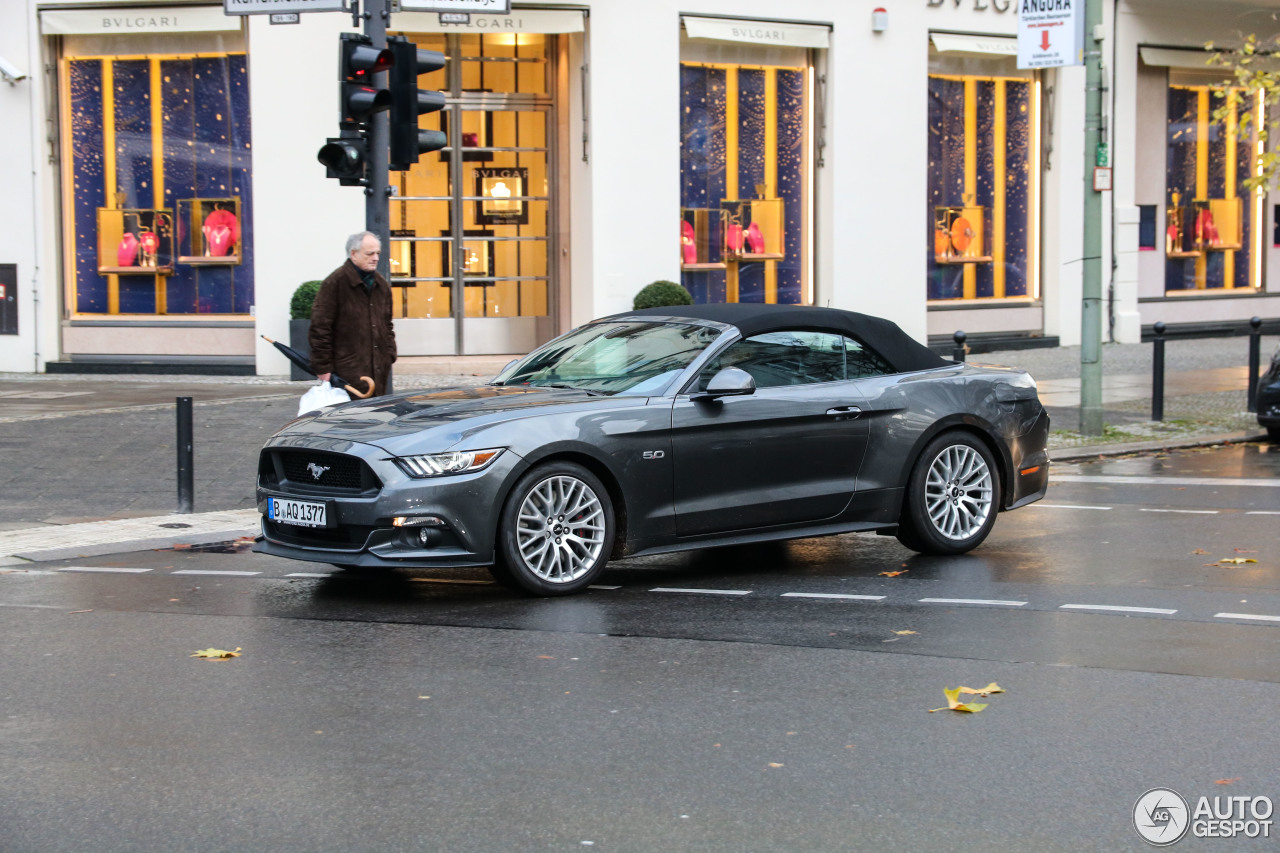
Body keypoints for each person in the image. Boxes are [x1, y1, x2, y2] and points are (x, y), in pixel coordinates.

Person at [309, 231, 397, 397]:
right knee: (352, 421)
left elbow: (387, 324)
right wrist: (323, 367)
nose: (376, 258)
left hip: (378, 369)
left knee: (377, 417)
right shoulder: (335, 283)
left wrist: (389, 354)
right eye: (370, 253)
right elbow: (320, 328)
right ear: (353, 254)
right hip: (347, 370)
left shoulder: (381, 285)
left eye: (378, 253)